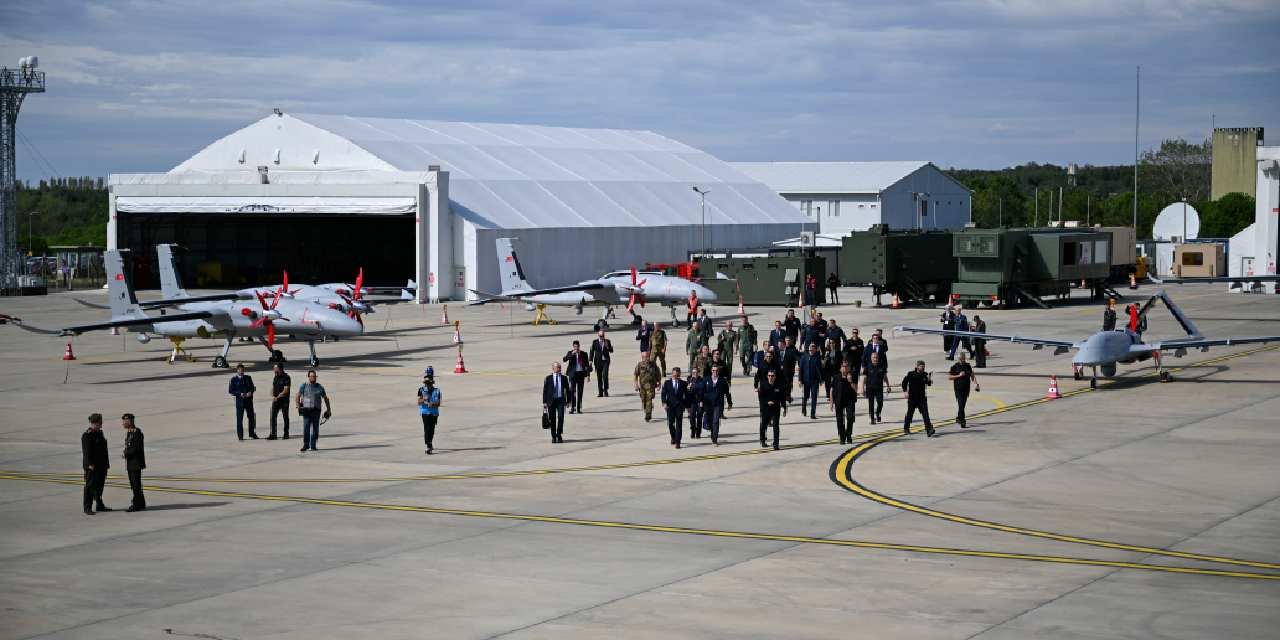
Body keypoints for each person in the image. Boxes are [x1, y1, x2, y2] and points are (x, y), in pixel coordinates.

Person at [295, 369, 331, 452]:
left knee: (315, 429)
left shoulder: (320, 387)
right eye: (311, 376)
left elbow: (326, 398)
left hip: (316, 410)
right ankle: (306, 445)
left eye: (314, 376)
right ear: (308, 377)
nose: (313, 378)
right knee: (306, 428)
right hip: (306, 410)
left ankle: (313, 445)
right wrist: (298, 406)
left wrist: (329, 409)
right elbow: (297, 395)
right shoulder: (304, 386)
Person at [82, 413, 110, 515]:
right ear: (94, 423)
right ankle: (87, 507)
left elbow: (103, 451)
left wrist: (106, 465)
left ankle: (99, 504)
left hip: (101, 465)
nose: (101, 424)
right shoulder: (87, 435)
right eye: (100, 423)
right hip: (92, 466)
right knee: (89, 486)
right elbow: (86, 451)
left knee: (100, 486)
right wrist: (89, 464)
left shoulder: (99, 433)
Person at [901, 360, 935, 437]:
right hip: (912, 398)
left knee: (925, 414)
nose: (923, 368)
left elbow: (928, 383)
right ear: (917, 366)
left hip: (922, 398)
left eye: (924, 367)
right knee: (910, 414)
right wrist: (905, 391)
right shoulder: (911, 374)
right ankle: (906, 428)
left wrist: (929, 379)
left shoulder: (925, 374)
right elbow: (904, 383)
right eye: (921, 366)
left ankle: (929, 429)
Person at [121, 413, 146, 512]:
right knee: (134, 484)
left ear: (130, 422)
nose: (123, 424)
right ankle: (141, 503)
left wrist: (126, 454)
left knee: (135, 485)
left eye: (124, 422)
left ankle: (136, 504)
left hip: (136, 463)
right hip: (131, 463)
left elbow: (136, 449)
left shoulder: (137, 433)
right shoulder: (130, 432)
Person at [948, 352, 979, 428]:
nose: (962, 360)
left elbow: (972, 375)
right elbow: (950, 377)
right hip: (958, 388)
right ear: (958, 359)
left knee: (962, 405)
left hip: (966, 388)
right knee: (961, 404)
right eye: (961, 359)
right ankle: (963, 421)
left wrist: (976, 384)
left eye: (963, 358)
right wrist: (959, 375)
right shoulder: (955, 367)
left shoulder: (968, 366)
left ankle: (959, 418)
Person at [829, 363, 858, 444]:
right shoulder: (836, 377)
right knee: (839, 420)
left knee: (850, 418)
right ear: (840, 369)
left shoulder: (852, 376)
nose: (845, 368)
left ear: (848, 368)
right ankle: (842, 437)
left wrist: (851, 381)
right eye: (843, 367)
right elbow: (831, 390)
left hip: (850, 401)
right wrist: (831, 403)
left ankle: (848, 435)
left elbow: (856, 390)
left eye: (846, 367)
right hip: (839, 401)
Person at [228, 363, 258, 440]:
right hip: (240, 402)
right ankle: (240, 436)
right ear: (237, 370)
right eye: (240, 370)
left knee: (251, 418)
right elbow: (231, 390)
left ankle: (252, 434)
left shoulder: (248, 378)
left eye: (242, 370)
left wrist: (250, 392)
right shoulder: (233, 379)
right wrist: (239, 394)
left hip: (248, 401)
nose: (241, 372)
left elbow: (253, 387)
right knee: (239, 420)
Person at [757, 369, 785, 450]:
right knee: (763, 425)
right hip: (765, 409)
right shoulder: (763, 385)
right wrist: (767, 402)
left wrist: (784, 407)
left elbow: (782, 397)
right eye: (769, 376)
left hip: (776, 409)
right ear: (767, 376)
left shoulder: (779, 386)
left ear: (775, 377)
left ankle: (776, 444)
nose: (770, 377)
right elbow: (760, 398)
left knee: (776, 426)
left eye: (772, 376)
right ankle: (762, 440)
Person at [562, 340, 592, 413]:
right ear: (573, 347)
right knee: (572, 392)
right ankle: (573, 407)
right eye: (575, 346)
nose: (576, 348)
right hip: (572, 375)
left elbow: (587, 365)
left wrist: (588, 375)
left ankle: (579, 408)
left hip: (581, 375)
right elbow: (564, 359)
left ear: (579, 346)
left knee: (580, 392)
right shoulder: (570, 353)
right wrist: (572, 354)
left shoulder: (584, 354)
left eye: (577, 346)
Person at [542, 362, 569, 443]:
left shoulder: (564, 378)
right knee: (552, 419)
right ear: (553, 368)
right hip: (551, 401)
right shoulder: (548, 378)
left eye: (560, 367)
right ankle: (553, 436)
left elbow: (568, 390)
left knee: (561, 418)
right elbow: (545, 391)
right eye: (558, 367)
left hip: (560, 400)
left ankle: (559, 434)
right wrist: (544, 402)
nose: (559, 369)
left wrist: (569, 401)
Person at [703, 365, 730, 445]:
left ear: (719, 371)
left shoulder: (722, 380)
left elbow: (727, 392)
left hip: (718, 404)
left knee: (715, 421)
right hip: (708, 404)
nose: (715, 372)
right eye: (713, 370)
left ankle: (715, 438)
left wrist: (729, 402)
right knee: (710, 421)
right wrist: (700, 401)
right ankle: (712, 433)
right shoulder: (706, 380)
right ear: (711, 371)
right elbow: (702, 391)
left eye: (716, 370)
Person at [661, 368, 687, 449]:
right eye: (674, 375)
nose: (675, 376)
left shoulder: (683, 383)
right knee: (671, 424)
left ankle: (678, 442)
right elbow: (663, 394)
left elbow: (687, 395)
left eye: (677, 375)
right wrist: (664, 403)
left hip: (679, 406)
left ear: (679, 375)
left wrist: (686, 405)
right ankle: (673, 437)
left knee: (679, 424)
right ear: (672, 374)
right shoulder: (667, 383)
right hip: (670, 406)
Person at [418, 368, 442, 454]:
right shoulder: (421, 390)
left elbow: (439, 403)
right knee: (427, 428)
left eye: (429, 384)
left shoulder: (437, 391)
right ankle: (429, 445)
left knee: (432, 429)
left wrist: (433, 404)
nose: (427, 386)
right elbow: (418, 402)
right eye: (426, 384)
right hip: (425, 412)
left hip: (434, 413)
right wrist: (424, 399)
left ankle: (429, 443)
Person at [633, 352, 662, 422]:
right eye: (644, 357)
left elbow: (658, 374)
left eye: (647, 357)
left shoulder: (653, 365)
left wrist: (659, 383)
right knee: (644, 400)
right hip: (642, 387)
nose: (646, 358)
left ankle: (648, 415)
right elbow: (635, 375)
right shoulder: (639, 365)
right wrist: (636, 384)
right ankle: (648, 408)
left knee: (649, 399)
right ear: (642, 358)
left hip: (651, 386)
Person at [798, 342, 823, 419]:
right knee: (805, 397)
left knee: (814, 397)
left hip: (814, 381)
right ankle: (804, 408)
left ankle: (813, 413)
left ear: (815, 350)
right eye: (810, 349)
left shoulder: (817, 358)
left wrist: (821, 379)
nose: (811, 350)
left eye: (813, 349)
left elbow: (820, 370)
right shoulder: (804, 357)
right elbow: (801, 369)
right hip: (805, 381)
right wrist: (800, 380)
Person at [267, 363, 291, 440]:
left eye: (275, 368)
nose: (273, 370)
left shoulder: (286, 377)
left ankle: (286, 433)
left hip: (284, 401)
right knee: (273, 417)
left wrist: (277, 397)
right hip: (276, 400)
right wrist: (272, 396)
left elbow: (286, 390)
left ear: (279, 369)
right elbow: (273, 387)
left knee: (285, 417)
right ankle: (273, 434)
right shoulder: (275, 377)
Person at [862, 352, 886, 424]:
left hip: (879, 388)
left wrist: (888, 385)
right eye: (874, 357)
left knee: (880, 403)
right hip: (870, 388)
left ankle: (878, 413)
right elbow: (864, 378)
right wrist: (862, 388)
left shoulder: (881, 366)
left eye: (876, 357)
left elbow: (885, 376)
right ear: (871, 358)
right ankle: (872, 419)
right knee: (871, 404)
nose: (875, 359)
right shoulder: (867, 367)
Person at [590, 330, 614, 397]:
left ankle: (605, 390)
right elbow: (591, 352)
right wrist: (590, 361)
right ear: (598, 335)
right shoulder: (595, 342)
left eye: (603, 336)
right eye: (600, 336)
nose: (601, 337)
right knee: (599, 377)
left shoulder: (607, 341)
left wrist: (608, 347)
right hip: (598, 362)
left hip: (605, 361)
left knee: (605, 375)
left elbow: (611, 351)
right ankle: (600, 392)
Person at [780, 336, 801, 414]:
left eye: (789, 340)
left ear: (791, 341)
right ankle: (785, 397)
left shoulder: (793, 349)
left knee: (788, 384)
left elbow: (798, 357)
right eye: (786, 340)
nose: (788, 342)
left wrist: (799, 365)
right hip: (781, 371)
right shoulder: (782, 348)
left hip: (789, 371)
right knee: (782, 385)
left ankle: (787, 396)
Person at [686, 368, 706, 439]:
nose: (694, 374)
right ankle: (693, 430)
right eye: (693, 372)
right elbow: (687, 392)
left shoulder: (702, 380)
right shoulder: (689, 380)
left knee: (699, 417)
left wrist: (702, 401)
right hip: (692, 401)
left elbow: (703, 391)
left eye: (696, 372)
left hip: (700, 401)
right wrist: (688, 388)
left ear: (698, 373)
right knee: (692, 417)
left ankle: (698, 432)